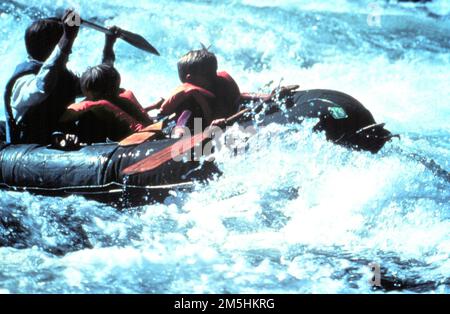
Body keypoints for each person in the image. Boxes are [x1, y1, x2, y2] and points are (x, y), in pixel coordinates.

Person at [151, 48, 298, 137]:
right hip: (191, 128)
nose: (211, 77)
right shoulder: (189, 99)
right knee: (187, 112)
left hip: (222, 123)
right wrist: (208, 128)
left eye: (212, 73)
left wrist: (269, 97)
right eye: (207, 75)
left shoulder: (220, 83)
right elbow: (176, 120)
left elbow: (239, 97)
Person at [59, 62, 152, 143]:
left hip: (137, 140)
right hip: (149, 134)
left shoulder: (96, 105)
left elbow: (64, 118)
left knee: (87, 117)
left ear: (90, 92)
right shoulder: (124, 97)